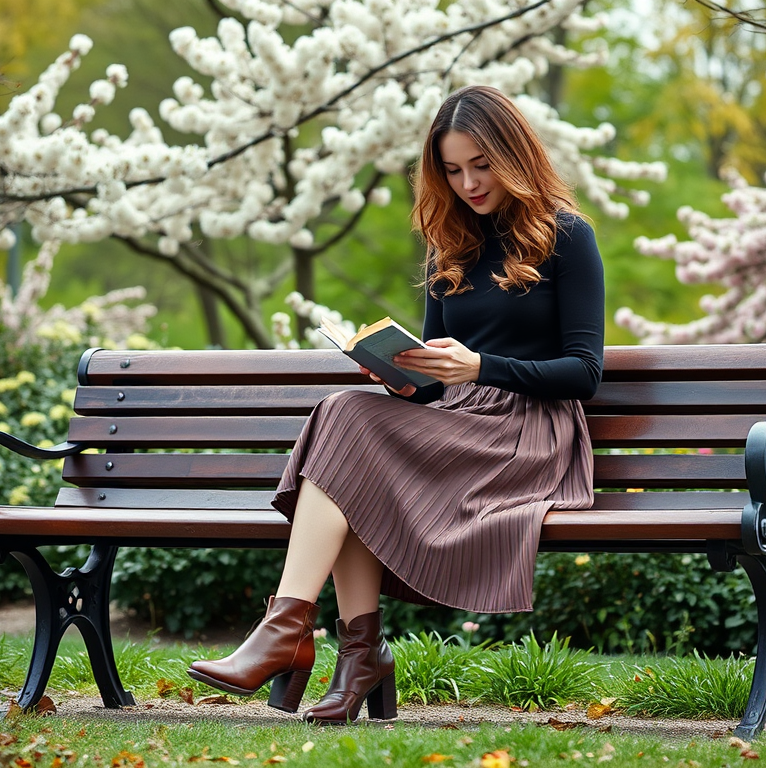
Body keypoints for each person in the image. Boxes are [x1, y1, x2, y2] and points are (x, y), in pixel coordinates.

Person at [187, 84, 605, 725]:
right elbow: (438, 377)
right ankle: (356, 652)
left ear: (513, 155)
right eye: (452, 169)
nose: (468, 182)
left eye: (480, 164)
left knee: (345, 430)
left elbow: (584, 372)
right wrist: (406, 379)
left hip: (526, 433)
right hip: (456, 421)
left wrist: (481, 365)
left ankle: (292, 633)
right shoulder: (449, 246)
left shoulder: (567, 237)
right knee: (347, 419)